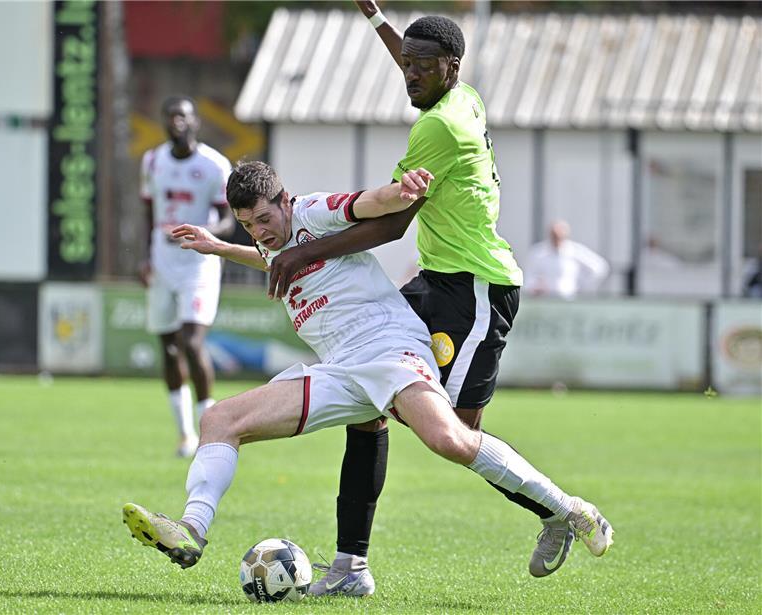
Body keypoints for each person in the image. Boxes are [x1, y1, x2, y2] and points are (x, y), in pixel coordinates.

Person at [122, 161, 613, 583]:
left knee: (451, 440)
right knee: (218, 421)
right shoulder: (271, 240)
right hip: (339, 369)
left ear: (286, 201)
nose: (261, 232)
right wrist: (220, 246)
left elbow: (366, 203)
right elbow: (269, 255)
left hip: (388, 348)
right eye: (248, 225)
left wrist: (402, 191)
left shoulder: (313, 212)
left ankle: (570, 510)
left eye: (266, 218)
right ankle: (191, 530)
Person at [263, 2, 593, 593]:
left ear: (451, 66)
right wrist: (377, 21)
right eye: (406, 64)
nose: (409, 74)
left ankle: (555, 510)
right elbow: (415, 57)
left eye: (421, 66)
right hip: (437, 281)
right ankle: (350, 569)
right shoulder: (458, 95)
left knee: (457, 434)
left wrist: (300, 252)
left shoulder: (438, 128)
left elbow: (391, 224)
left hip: (474, 291)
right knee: (370, 402)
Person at [139, 96, 234, 457]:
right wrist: (146, 257)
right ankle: (184, 434)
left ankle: (209, 429)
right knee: (168, 346)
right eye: (170, 116)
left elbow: (231, 217)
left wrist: (209, 232)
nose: (176, 121)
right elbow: (147, 210)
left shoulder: (213, 165)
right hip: (162, 259)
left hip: (198, 260)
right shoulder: (152, 160)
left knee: (192, 342)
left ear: (195, 122)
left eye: (183, 116)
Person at [525, 220, 610, 299]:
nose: (557, 239)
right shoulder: (538, 252)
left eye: (559, 236)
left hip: (569, 300)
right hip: (545, 300)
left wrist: (581, 286)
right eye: (554, 236)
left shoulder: (575, 250)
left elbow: (599, 267)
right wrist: (535, 286)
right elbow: (529, 276)